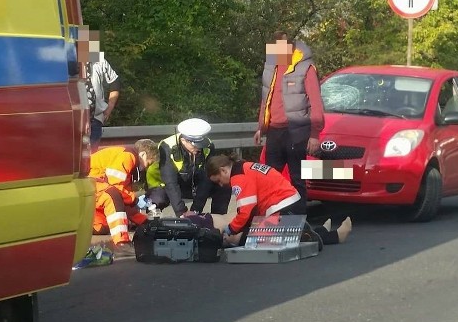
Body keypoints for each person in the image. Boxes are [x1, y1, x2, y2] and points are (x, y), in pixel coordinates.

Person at [205, 154, 352, 248]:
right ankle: (322, 230)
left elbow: (246, 211)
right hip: (286, 202)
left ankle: (333, 236)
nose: (221, 185)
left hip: (281, 205)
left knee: (256, 239)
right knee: (253, 233)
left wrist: (232, 228)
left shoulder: (238, 177)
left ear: (223, 170)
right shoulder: (245, 166)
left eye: (218, 180)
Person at [253, 30, 325, 214]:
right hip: (274, 132)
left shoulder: (305, 67)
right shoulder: (271, 67)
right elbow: (266, 98)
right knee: (270, 178)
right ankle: (272, 218)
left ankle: (299, 219)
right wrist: (261, 127)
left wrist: (315, 135)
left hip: (296, 131)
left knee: (297, 178)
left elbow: (316, 102)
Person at [145, 118, 231, 217]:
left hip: (194, 185)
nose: (199, 148)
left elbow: (207, 179)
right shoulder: (167, 147)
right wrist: (182, 212)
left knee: (223, 186)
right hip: (169, 186)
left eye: (200, 145)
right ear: (183, 140)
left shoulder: (208, 145)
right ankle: (152, 223)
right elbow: (170, 183)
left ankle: (216, 219)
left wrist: (195, 210)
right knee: (156, 198)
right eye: (195, 146)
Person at [88, 139, 159, 257]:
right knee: (112, 195)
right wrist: (135, 199)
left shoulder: (128, 159)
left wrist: (143, 221)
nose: (146, 167)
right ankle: (121, 244)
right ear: (143, 154)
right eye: (149, 163)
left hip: (93, 187)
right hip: (91, 183)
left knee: (104, 227)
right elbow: (116, 187)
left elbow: (124, 199)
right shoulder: (128, 156)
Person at [85, 58, 121, 152]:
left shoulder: (98, 58)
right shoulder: (67, 58)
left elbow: (115, 82)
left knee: (93, 158)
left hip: (95, 119)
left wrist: (109, 108)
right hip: (73, 120)